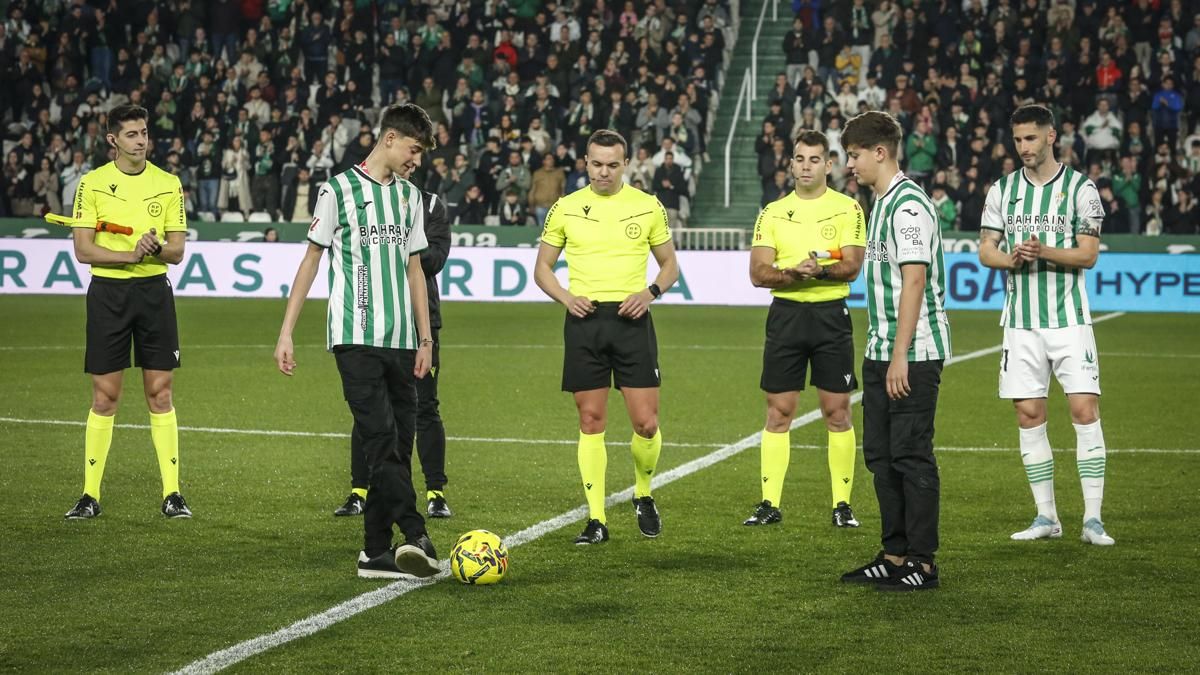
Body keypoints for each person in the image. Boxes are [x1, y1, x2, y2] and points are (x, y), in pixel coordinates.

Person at [273, 103, 440, 580]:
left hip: (403, 339)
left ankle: (374, 552)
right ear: (390, 139)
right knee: (381, 439)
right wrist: (286, 331)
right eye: (414, 150)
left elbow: (415, 270)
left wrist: (425, 338)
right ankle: (416, 533)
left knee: (398, 446)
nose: (417, 161)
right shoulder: (338, 190)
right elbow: (311, 260)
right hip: (355, 336)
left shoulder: (409, 197)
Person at [533, 129, 680, 545]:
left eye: (612, 165)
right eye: (596, 164)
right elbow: (542, 268)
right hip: (585, 322)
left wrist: (649, 293)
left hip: (632, 321)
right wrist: (567, 298)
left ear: (626, 164)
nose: (603, 172)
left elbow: (670, 265)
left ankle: (643, 493)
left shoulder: (647, 206)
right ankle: (596, 519)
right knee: (590, 421)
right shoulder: (566, 207)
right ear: (585, 162)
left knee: (646, 424)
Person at [977, 104, 1114, 547]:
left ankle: (1093, 519)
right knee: (1029, 414)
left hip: (1069, 319)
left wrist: (1044, 252)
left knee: (1084, 410)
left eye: (1031, 138)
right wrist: (1010, 259)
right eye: (1018, 139)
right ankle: (1046, 516)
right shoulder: (1002, 190)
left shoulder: (1081, 188)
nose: (1024, 147)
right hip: (1021, 322)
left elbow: (1088, 255)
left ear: (1051, 136)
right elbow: (986, 249)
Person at [839, 111, 951, 591]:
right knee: (881, 457)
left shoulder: (907, 206)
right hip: (881, 348)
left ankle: (922, 563)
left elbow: (915, 281)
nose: (850, 164)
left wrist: (901, 354)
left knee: (910, 454)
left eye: (854, 155)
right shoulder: (881, 203)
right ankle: (894, 554)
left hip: (914, 352)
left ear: (880, 152)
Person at [64, 104, 192, 520]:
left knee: (161, 393)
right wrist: (129, 255)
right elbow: (83, 250)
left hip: (154, 293)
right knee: (105, 397)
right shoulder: (92, 183)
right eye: (132, 134)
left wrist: (154, 249)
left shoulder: (168, 183)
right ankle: (89, 495)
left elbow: (177, 251)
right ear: (113, 140)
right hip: (108, 295)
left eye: (144, 133)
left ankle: (172, 494)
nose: (141, 140)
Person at [745, 129, 866, 529]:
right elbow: (758, 273)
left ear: (828, 165)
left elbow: (853, 265)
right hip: (787, 316)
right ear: (791, 163)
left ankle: (842, 505)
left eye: (815, 159)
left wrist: (820, 272)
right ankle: (770, 503)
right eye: (800, 159)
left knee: (838, 411)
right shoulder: (773, 212)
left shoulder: (848, 208)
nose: (806, 166)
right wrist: (792, 274)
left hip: (831, 316)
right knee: (779, 411)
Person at [333, 154, 454, 520]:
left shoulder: (429, 205)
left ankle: (435, 492)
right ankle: (360, 490)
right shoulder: (366, 198)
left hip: (420, 321)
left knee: (425, 406)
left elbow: (435, 258)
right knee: (369, 407)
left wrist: (391, 249)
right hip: (375, 318)